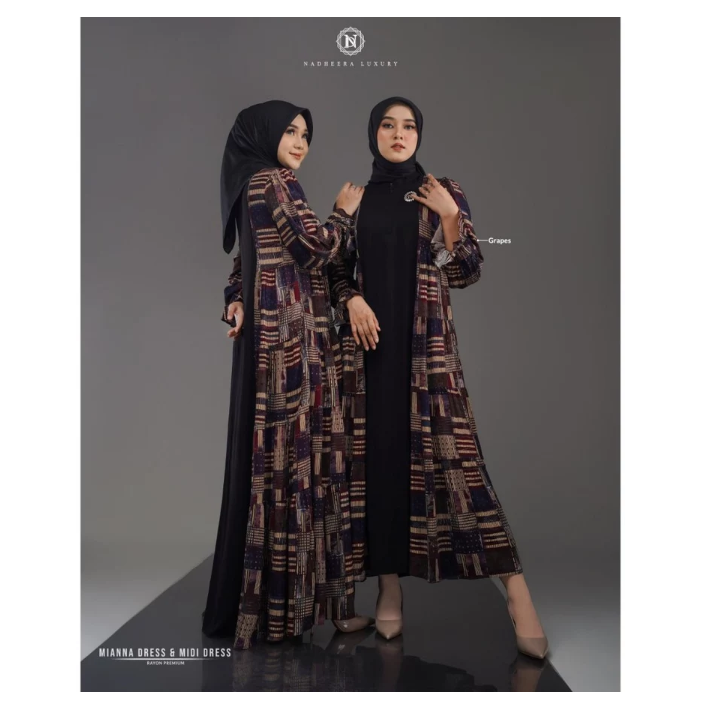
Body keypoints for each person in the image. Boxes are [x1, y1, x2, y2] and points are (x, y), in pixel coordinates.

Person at [327, 96, 549, 659]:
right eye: (387, 125)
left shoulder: (440, 190)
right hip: (366, 353)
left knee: (460, 464)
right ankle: (389, 588)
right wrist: (351, 298)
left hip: (427, 352)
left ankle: (517, 594)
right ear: (373, 133)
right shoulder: (355, 198)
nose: (398, 134)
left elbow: (468, 270)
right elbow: (333, 269)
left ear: (419, 135)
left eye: (409, 126)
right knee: (376, 468)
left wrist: (451, 217)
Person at [202, 99, 371, 650]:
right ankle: (295, 610)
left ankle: (283, 607)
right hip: (296, 341)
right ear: (265, 134)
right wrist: (342, 213)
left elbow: (244, 260)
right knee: (302, 465)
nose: (300, 143)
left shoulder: (251, 183)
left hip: (271, 338)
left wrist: (235, 300)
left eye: (305, 134)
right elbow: (314, 249)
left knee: (279, 467)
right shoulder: (277, 181)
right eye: (290, 131)